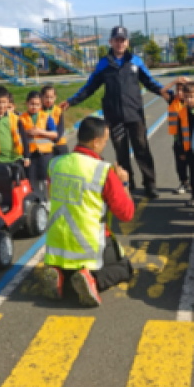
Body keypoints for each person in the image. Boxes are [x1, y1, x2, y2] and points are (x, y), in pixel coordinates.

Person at [60, 26, 185, 200]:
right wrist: (71, 101)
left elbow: (150, 82)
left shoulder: (135, 61)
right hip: (114, 117)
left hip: (135, 114)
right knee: (121, 151)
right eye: (117, 40)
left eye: (123, 40)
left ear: (127, 42)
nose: (120, 43)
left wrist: (170, 95)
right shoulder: (104, 63)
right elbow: (90, 87)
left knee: (142, 149)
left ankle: (150, 184)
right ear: (111, 42)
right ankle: (128, 184)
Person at [41, 117, 136, 307]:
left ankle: (59, 273)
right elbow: (126, 214)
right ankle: (93, 279)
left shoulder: (55, 164)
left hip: (57, 245)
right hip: (89, 246)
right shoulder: (102, 171)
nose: (105, 145)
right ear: (96, 141)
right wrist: (124, 183)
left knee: (68, 262)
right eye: (105, 141)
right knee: (125, 268)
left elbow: (52, 195)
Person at [19, 90, 57, 195]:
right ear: (26, 103)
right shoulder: (21, 118)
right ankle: (36, 199)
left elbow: (54, 134)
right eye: (32, 104)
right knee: (32, 178)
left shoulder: (46, 116)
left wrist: (40, 132)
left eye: (37, 104)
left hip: (45, 154)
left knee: (45, 179)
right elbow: (16, 135)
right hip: (30, 155)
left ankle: (47, 200)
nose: (34, 107)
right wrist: (26, 133)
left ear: (41, 105)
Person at [175, 81, 194, 207]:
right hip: (190, 150)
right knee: (193, 175)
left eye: (191, 96)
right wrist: (181, 150)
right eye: (186, 97)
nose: (189, 99)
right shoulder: (182, 112)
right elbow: (180, 133)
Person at [165, 82, 189, 195]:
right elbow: (162, 91)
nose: (179, 92)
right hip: (178, 139)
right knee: (180, 163)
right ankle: (184, 182)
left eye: (182, 90)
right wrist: (175, 81)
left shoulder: (192, 101)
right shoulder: (173, 101)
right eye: (177, 90)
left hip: (191, 139)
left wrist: (188, 81)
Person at [40, 85, 68, 157]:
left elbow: (61, 127)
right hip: (45, 144)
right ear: (41, 97)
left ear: (55, 97)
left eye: (51, 97)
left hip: (60, 142)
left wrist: (56, 139)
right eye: (46, 97)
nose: (49, 100)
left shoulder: (58, 110)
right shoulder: (38, 111)